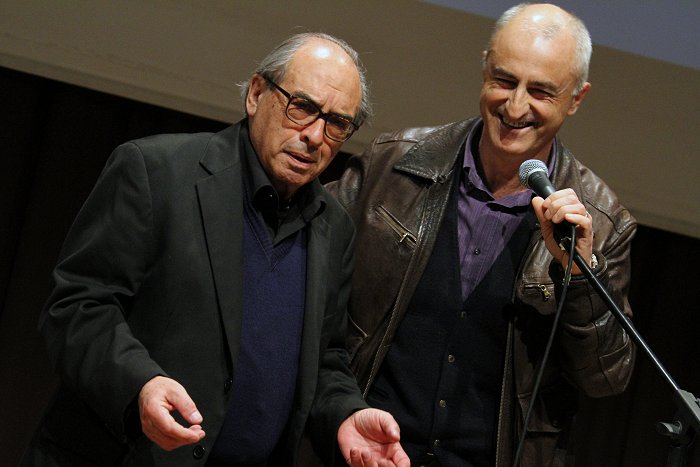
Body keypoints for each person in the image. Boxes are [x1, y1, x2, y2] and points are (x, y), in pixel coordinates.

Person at [23, 32, 409, 467]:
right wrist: (139, 385)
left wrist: (346, 415)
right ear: (257, 94)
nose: (316, 136)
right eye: (301, 107)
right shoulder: (155, 172)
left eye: (337, 123)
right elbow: (77, 307)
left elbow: (323, 363)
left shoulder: (334, 227)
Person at [327, 4, 636, 466]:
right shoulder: (392, 166)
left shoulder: (602, 221)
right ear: (485, 67)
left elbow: (605, 378)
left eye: (541, 91)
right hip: (364, 452)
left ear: (576, 99)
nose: (515, 107)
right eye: (505, 81)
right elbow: (307, 280)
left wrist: (578, 274)